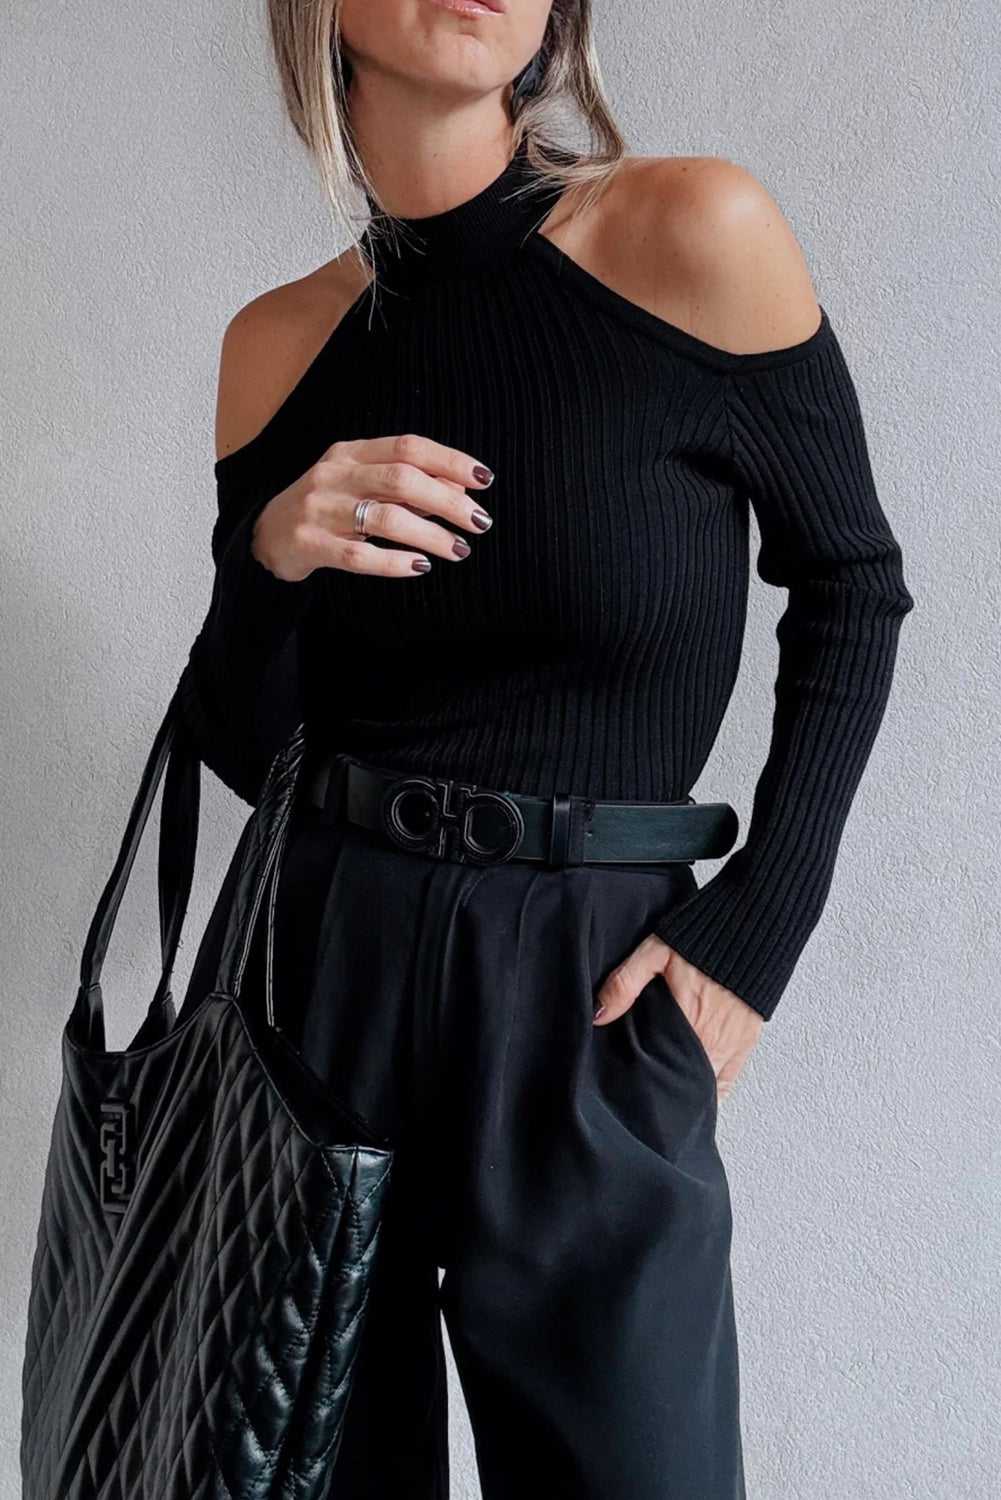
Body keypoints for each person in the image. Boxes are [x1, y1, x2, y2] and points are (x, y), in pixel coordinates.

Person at [176, 2, 915, 1495]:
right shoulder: (278, 345)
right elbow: (247, 747)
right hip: (319, 969)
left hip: (591, 980)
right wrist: (267, 557)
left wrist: (757, 930)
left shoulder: (692, 233)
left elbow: (851, 585)